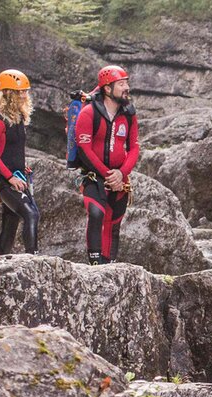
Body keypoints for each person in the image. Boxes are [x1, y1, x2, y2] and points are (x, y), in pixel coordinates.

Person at [72, 65, 140, 265]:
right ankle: (94, 264)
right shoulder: (89, 113)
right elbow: (84, 148)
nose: (126, 87)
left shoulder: (129, 113)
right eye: (121, 84)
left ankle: (108, 264)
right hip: (94, 176)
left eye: (126, 82)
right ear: (107, 89)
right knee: (96, 214)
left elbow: (134, 147)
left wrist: (121, 173)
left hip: (120, 180)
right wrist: (107, 174)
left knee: (114, 224)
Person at [0, 69, 40, 254]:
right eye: (20, 92)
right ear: (8, 93)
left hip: (17, 175)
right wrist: (10, 177)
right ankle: (34, 258)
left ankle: (0, 259)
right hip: (3, 178)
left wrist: (21, 167)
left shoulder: (20, 118)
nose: (24, 95)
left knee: (11, 220)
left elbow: (13, 149)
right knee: (31, 214)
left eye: (25, 91)